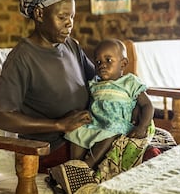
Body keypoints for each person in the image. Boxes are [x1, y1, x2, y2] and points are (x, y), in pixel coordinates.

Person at [0, 0, 95, 171]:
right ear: (39, 14)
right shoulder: (22, 58)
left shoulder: (72, 46)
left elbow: (98, 80)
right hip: (49, 149)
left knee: (149, 144)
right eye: (62, 17)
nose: (70, 23)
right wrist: (58, 125)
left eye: (72, 16)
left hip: (83, 137)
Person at [64, 39, 155, 170]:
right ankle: (73, 165)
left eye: (108, 60)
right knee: (77, 130)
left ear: (123, 64)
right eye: (98, 62)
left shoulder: (129, 82)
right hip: (95, 122)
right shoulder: (95, 83)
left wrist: (142, 126)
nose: (102, 65)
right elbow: (91, 104)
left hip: (118, 124)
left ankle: (88, 165)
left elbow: (147, 105)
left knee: (111, 131)